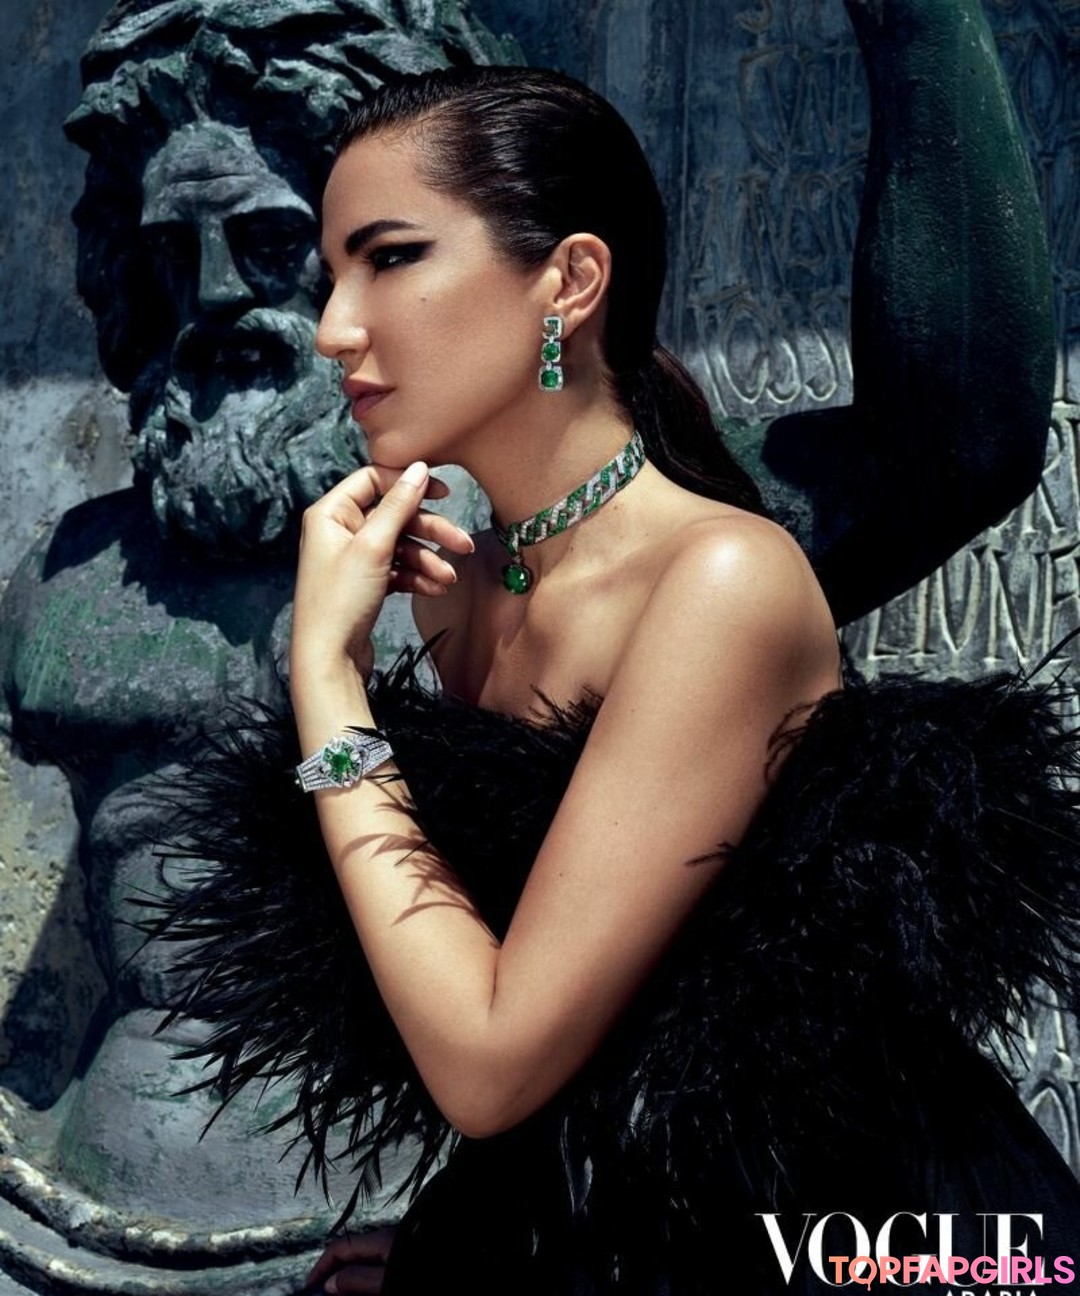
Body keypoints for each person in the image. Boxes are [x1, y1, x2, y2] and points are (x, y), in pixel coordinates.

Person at [149, 39, 1080, 1296]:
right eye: (331, 273)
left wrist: (325, 675)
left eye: (392, 257)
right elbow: (557, 1017)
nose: (333, 329)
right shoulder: (466, 588)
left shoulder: (722, 581)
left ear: (570, 282)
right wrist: (470, 1246)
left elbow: (490, 1062)